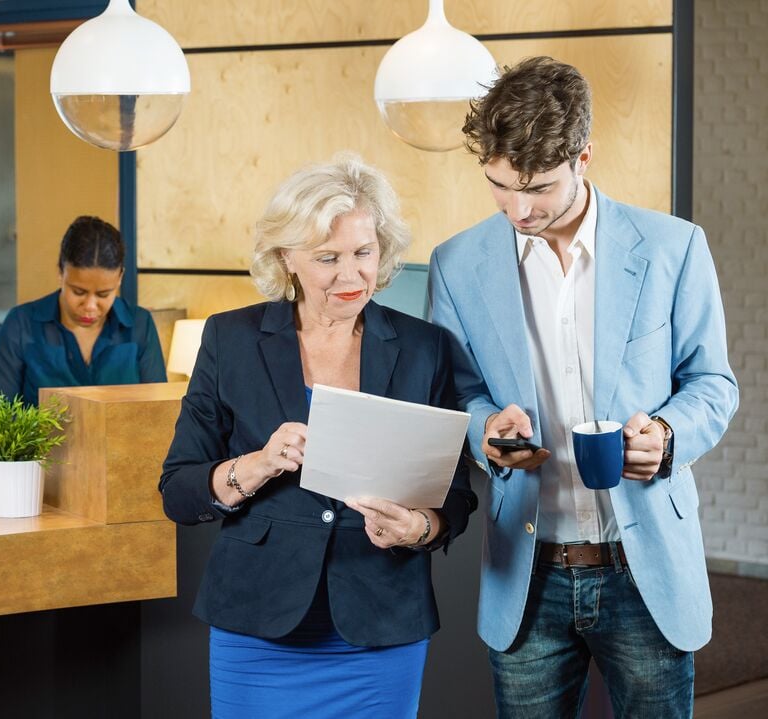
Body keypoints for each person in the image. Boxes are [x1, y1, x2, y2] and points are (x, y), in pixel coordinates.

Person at [427, 57, 739, 718]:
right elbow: (454, 393)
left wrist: (669, 433)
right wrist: (484, 429)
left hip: (645, 565)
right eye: (498, 185)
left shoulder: (672, 247)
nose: (518, 208)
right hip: (527, 573)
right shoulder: (456, 265)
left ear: (584, 157)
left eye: (537, 187)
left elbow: (713, 383)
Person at [160, 155, 477, 717]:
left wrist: (419, 527)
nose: (351, 275)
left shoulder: (424, 346)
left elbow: (453, 492)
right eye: (327, 258)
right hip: (256, 627)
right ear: (287, 258)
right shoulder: (229, 339)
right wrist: (255, 464)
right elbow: (179, 489)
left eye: (364, 253)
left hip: (381, 624)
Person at [0, 215, 165, 406]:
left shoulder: (139, 325)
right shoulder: (21, 325)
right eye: (79, 292)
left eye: (104, 294)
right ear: (61, 271)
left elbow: (157, 413)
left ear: (120, 277)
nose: (90, 306)